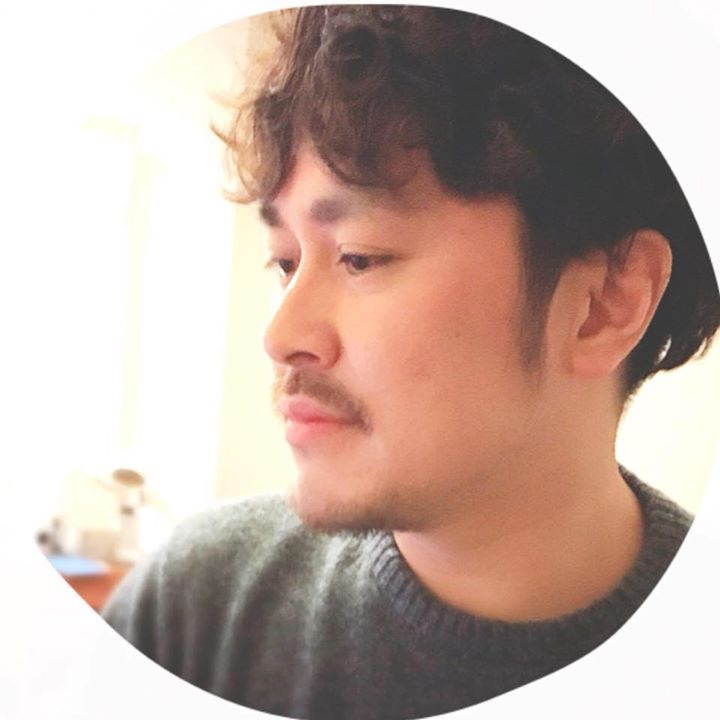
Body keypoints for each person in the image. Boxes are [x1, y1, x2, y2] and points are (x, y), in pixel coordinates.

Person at [102, 6, 720, 719]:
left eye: (360, 257)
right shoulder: (198, 610)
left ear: (605, 303)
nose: (280, 335)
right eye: (285, 262)